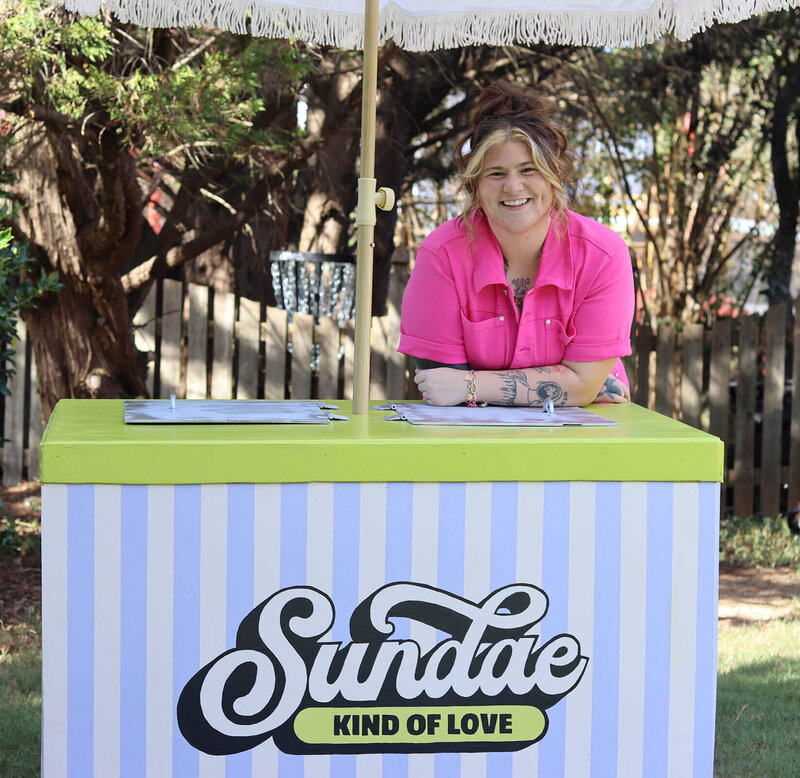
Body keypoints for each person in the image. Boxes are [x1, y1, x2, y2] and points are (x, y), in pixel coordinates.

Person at [398, 82, 635, 408]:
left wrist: (471, 383)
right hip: (475, 444)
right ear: (475, 185)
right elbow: (442, 390)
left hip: (586, 441)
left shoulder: (604, 255)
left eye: (528, 170)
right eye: (496, 174)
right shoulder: (441, 257)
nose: (513, 186)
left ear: (556, 174)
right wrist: (571, 386)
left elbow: (581, 386)